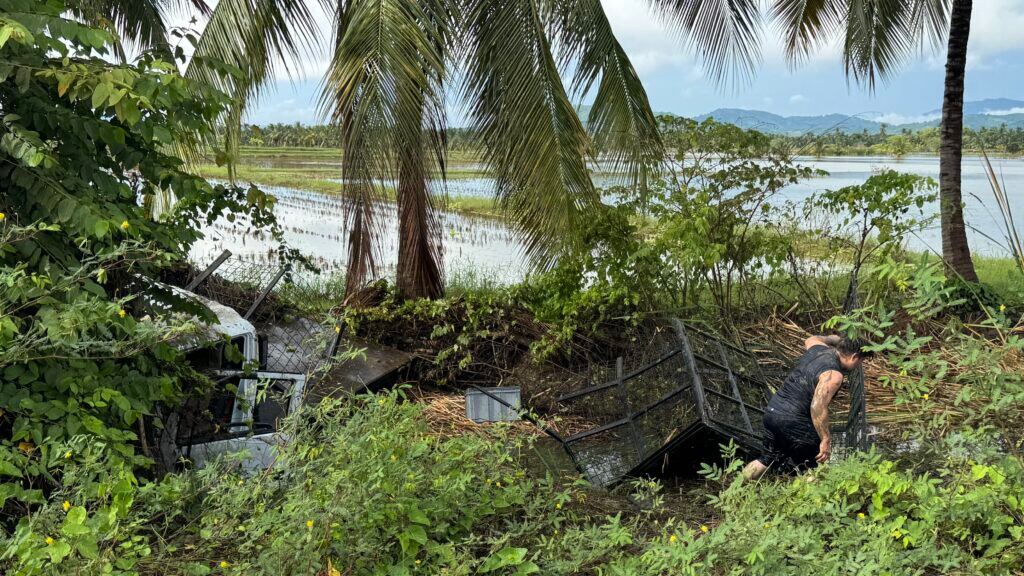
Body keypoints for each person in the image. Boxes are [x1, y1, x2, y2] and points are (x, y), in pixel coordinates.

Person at [742, 334, 873, 480]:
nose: (859, 365)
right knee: (813, 469)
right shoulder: (834, 375)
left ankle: (734, 488)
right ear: (854, 356)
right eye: (861, 360)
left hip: (773, 412)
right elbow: (817, 406)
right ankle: (813, 500)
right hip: (795, 422)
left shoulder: (817, 348)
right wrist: (825, 439)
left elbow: (810, 338)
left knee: (765, 459)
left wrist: (836, 339)